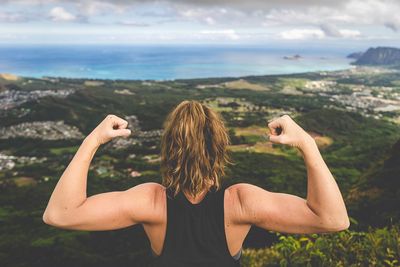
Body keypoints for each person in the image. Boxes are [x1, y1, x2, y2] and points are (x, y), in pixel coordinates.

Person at [42, 100, 350, 267]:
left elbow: (60, 214)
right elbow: (333, 219)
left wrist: (92, 140)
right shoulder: (241, 202)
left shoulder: (150, 202)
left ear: (168, 148)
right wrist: (307, 145)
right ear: (220, 146)